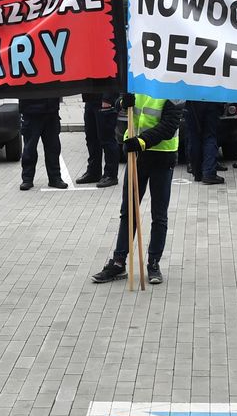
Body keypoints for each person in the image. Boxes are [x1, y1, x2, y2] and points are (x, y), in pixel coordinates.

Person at [91, 93, 184, 285]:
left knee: (158, 215)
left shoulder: (174, 87)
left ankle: (153, 263)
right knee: (128, 211)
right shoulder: (138, 79)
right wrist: (121, 102)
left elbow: (169, 126)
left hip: (162, 155)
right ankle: (118, 262)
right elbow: (119, 104)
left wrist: (142, 141)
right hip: (136, 156)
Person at [17, 96, 67, 191]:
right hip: (30, 110)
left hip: (51, 110)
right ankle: (27, 179)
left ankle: (55, 178)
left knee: (53, 147)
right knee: (29, 149)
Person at [76, 91, 121, 189]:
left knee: (107, 139)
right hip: (91, 99)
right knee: (91, 138)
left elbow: (113, 77)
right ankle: (93, 172)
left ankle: (111, 175)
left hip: (105, 101)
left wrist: (108, 99)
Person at [184, 100, 226, 184]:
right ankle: (208, 172)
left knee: (194, 136)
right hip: (210, 100)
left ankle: (197, 172)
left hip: (191, 101)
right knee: (210, 136)